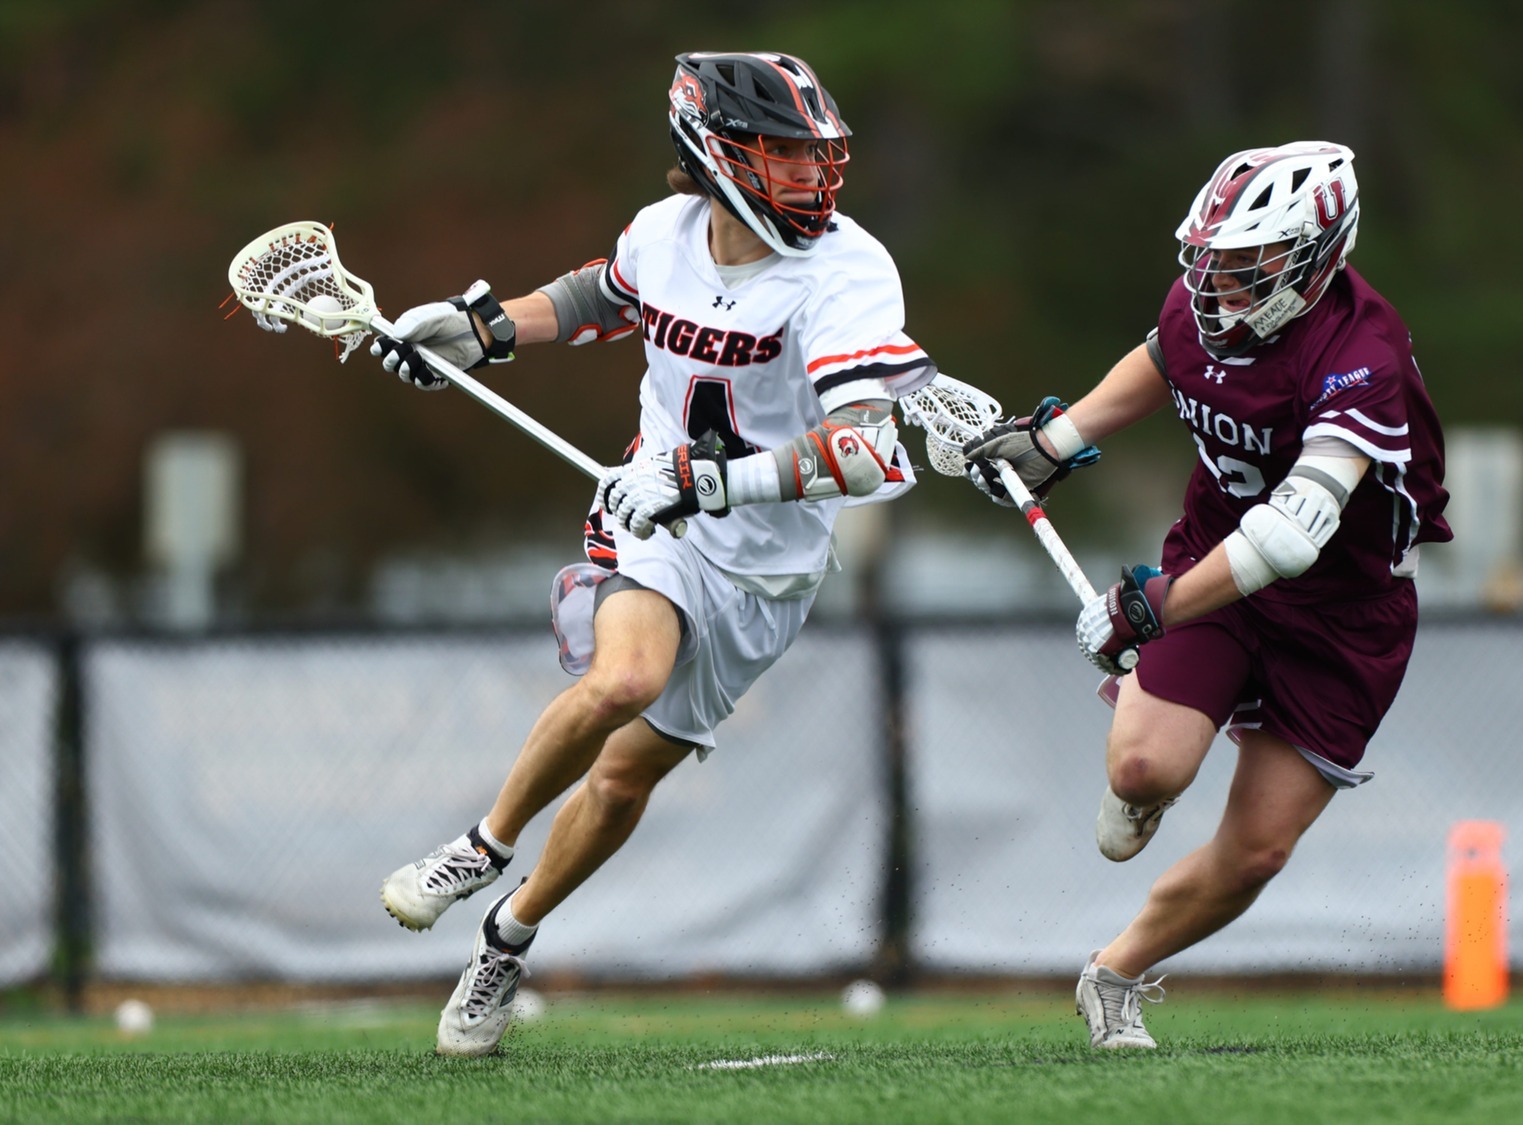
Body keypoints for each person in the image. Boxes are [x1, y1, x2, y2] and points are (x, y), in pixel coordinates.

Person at [364, 50, 933, 1057]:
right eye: (780, 155)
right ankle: (480, 848)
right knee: (625, 675)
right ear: (711, 157)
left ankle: (507, 937)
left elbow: (866, 447)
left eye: (815, 157)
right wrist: (478, 328)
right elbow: (603, 297)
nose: (809, 178)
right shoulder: (662, 232)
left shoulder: (847, 270)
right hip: (652, 514)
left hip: (765, 564)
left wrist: (714, 479)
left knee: (624, 782)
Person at [964, 142, 1450, 1050]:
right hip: (1222, 570)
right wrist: (1056, 439)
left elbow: (1290, 537)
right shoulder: (1207, 301)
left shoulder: (1362, 353)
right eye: (1213, 262)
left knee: (1260, 846)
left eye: (1248, 264)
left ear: (1314, 259)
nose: (1219, 284)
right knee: (1143, 770)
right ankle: (1152, 769)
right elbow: (1166, 355)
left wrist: (1151, 607)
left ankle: (1113, 971)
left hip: (1342, 611)